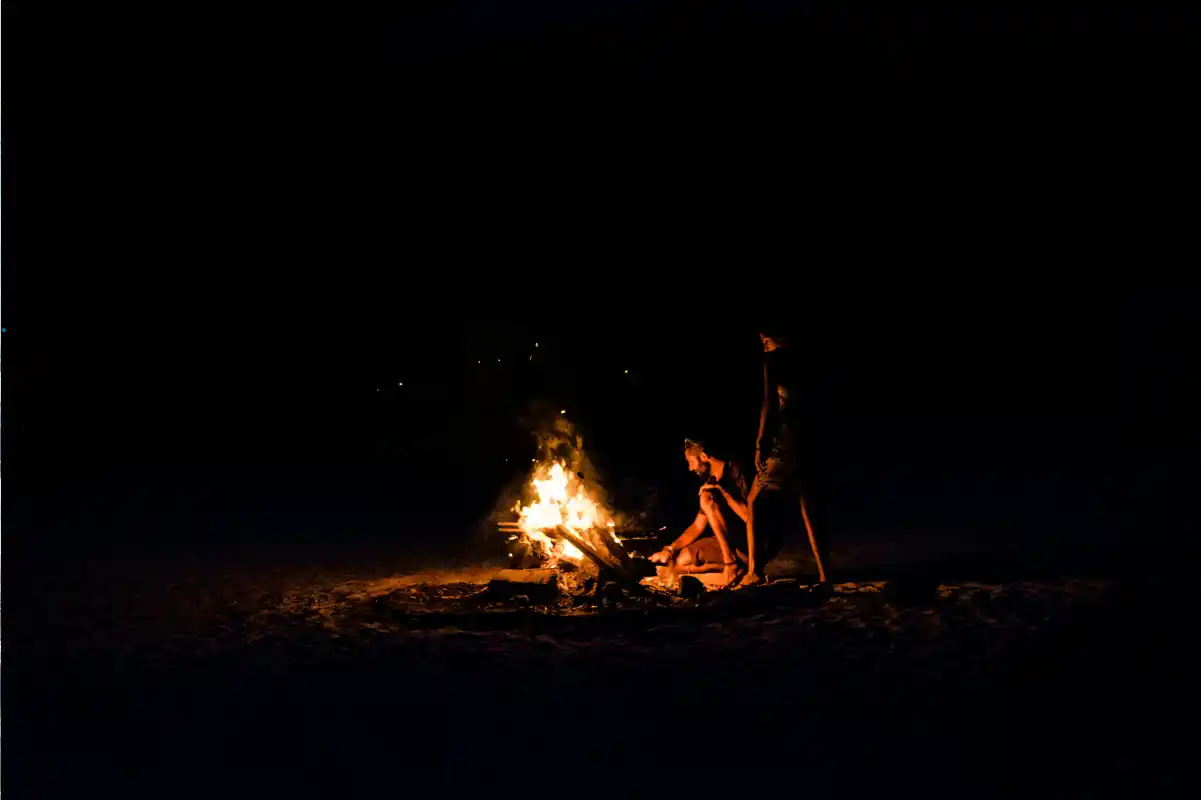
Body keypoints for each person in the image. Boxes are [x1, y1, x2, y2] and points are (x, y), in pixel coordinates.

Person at [734, 327, 831, 589]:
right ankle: (826, 575)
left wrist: (760, 442)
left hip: (786, 442)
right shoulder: (809, 358)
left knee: (754, 500)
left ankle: (754, 571)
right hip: (811, 439)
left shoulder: (774, 360)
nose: (762, 344)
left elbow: (769, 404)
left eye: (765, 340)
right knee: (809, 505)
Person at [648, 439, 751, 587]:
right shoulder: (711, 481)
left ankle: (731, 564)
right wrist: (669, 550)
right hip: (729, 543)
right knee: (679, 562)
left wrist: (723, 492)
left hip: (748, 546)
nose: (690, 468)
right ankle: (733, 568)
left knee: (706, 497)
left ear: (703, 455)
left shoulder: (735, 472)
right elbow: (697, 526)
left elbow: (749, 517)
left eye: (691, 461)